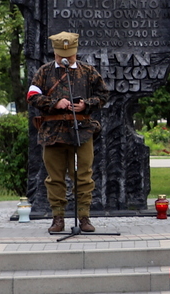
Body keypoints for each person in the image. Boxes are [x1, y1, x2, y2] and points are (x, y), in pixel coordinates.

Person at [26, 32, 110, 234]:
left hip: (81, 131)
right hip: (53, 132)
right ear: (55, 52)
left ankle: (83, 217)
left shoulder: (88, 71)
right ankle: (58, 217)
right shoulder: (44, 72)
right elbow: (32, 96)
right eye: (62, 54)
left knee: (83, 176)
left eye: (71, 55)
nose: (66, 58)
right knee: (55, 177)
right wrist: (54, 103)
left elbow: (103, 94)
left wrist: (86, 105)